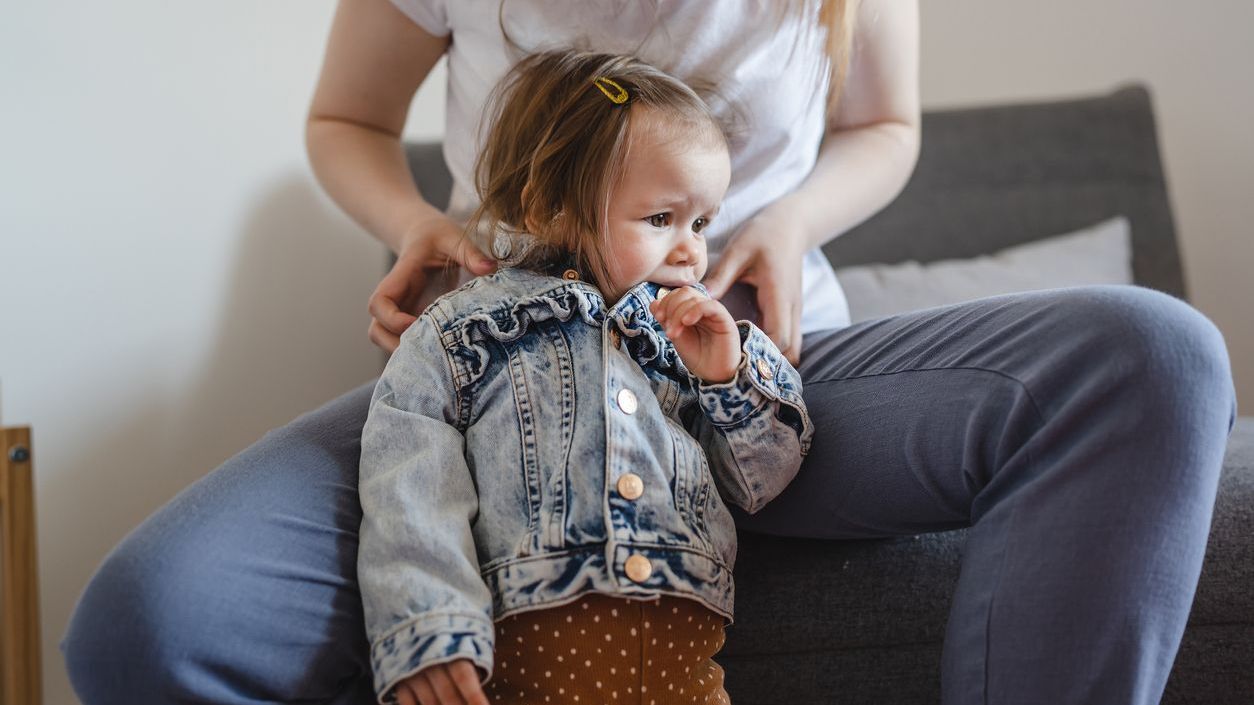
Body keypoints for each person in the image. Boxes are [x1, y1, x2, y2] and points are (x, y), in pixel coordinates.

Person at [61, 1, 1238, 704]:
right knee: (146, 622)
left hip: (774, 363)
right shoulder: (463, 352)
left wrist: (784, 224)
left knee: (1155, 357)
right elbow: (347, 118)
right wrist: (419, 226)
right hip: (507, 399)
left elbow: (886, 123)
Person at [359, 48, 812, 705]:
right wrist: (428, 623)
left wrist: (728, 379)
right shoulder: (464, 333)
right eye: (660, 219)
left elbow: (765, 481)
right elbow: (409, 482)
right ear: (548, 208)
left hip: (682, 667)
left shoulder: (692, 341)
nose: (690, 249)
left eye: (702, 223)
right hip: (524, 657)